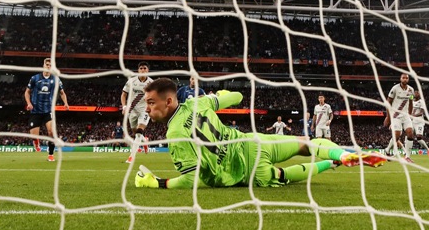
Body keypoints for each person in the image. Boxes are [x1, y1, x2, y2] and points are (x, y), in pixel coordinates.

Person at [134, 78, 386, 190]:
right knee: (306, 143)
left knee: (283, 176)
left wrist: (158, 182)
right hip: (251, 143)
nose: (147, 108)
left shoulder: (175, 133)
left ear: (168, 101)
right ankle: (341, 155)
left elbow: (191, 179)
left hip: (247, 174)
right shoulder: (197, 103)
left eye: (151, 103)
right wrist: (217, 96)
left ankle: (329, 164)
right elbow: (237, 96)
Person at [24, 57, 69, 162]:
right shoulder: (35, 78)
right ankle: (36, 142)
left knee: (51, 132)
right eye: (47, 65)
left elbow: (62, 93)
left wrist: (66, 103)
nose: (48, 67)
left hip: (48, 110)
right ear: (43, 66)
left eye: (50, 65)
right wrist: (29, 103)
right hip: (35, 110)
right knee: (34, 135)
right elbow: (27, 92)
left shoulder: (56, 79)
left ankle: (51, 154)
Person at [121, 61, 153, 163]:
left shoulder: (152, 83)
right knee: (135, 132)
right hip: (132, 110)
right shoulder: (131, 81)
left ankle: (132, 156)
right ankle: (144, 140)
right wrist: (124, 106)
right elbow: (123, 95)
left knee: (139, 132)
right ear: (138, 70)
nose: (143, 70)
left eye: (145, 68)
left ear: (148, 70)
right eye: (141, 68)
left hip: (144, 110)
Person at [383, 73, 415, 163]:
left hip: (405, 115)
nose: (405, 79)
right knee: (397, 135)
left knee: (410, 133)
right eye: (403, 78)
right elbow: (388, 102)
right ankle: (387, 150)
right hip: (396, 115)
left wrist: (410, 114)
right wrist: (388, 117)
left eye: (406, 78)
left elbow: (411, 102)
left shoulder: (411, 90)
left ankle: (407, 157)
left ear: (408, 79)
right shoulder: (395, 89)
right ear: (400, 79)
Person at [411, 90, 429, 159]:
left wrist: (413, 115)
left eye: (417, 93)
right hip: (412, 122)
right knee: (408, 136)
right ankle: (407, 155)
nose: (416, 94)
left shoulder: (421, 102)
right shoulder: (411, 101)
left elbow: (421, 113)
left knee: (419, 138)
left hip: (419, 122)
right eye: (415, 93)